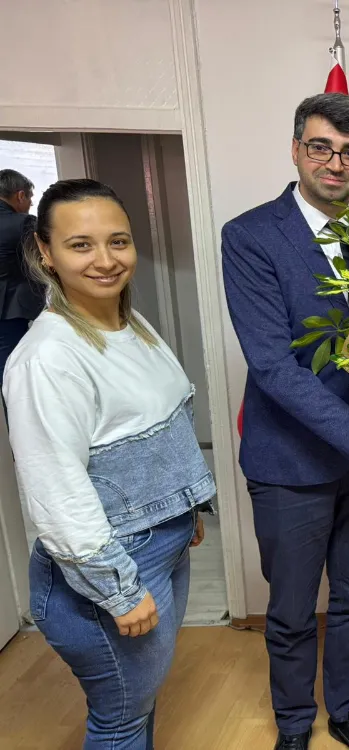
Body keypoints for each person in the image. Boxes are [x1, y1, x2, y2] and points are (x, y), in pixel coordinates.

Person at [221, 92, 349, 750]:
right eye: (321, 147)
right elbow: (272, 366)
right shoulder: (250, 236)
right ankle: (292, 725)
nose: (335, 163)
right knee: (289, 608)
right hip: (291, 459)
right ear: (295, 150)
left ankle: (348, 709)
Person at [1, 179, 214, 749]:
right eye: (81, 245)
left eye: (118, 241)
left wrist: (186, 508)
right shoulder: (47, 358)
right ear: (45, 251)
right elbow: (56, 491)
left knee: (139, 705)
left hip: (158, 544)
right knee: (120, 720)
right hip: (112, 565)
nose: (105, 260)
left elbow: (156, 428)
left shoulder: (130, 324)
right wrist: (116, 590)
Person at [0, 169, 45, 399]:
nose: (30, 204)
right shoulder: (23, 223)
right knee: (15, 379)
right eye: (29, 198)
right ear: (20, 195)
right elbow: (45, 258)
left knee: (5, 376)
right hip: (13, 311)